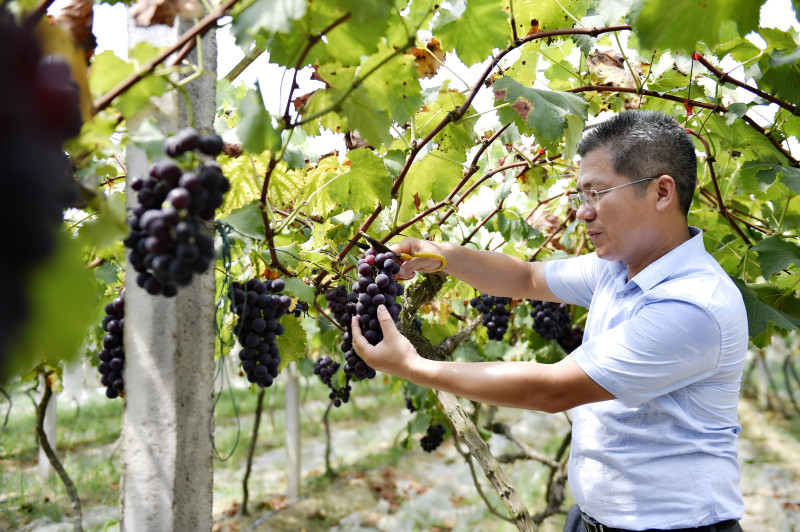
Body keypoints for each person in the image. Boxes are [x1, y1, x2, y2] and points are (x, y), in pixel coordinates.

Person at [351, 110, 747, 532]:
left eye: (597, 194)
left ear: (662, 192)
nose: (583, 213)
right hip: (590, 522)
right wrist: (440, 255)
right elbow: (526, 276)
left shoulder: (692, 304)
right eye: (581, 197)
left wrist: (414, 367)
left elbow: (551, 389)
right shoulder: (618, 269)